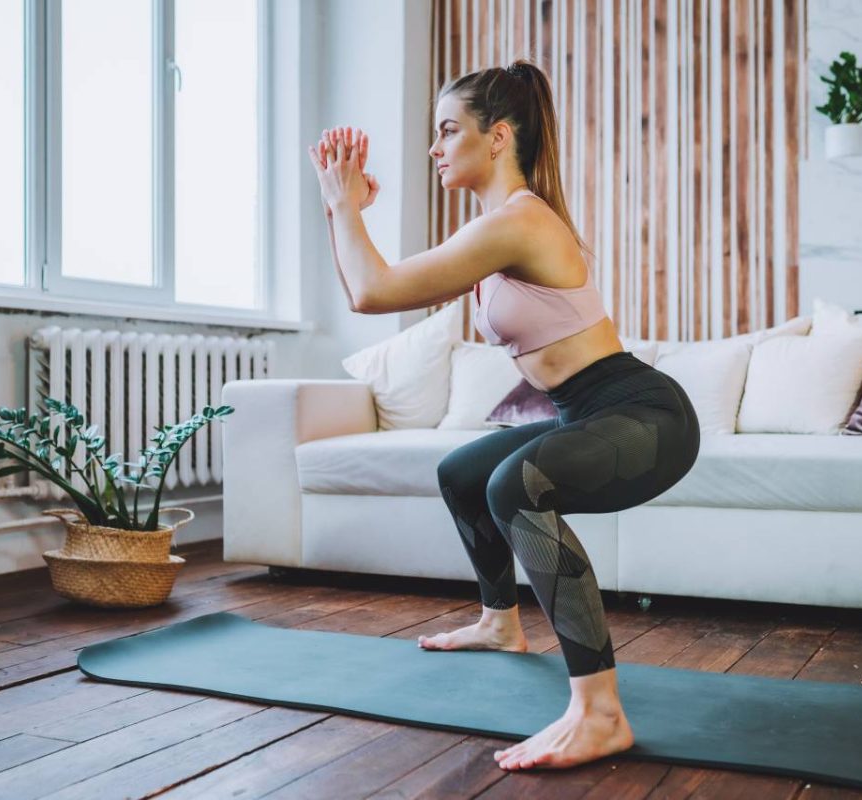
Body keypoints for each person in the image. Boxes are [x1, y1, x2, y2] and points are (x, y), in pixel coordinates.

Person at [307, 58, 700, 772]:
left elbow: (375, 290)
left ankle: (600, 712)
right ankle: (499, 622)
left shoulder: (517, 222)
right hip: (585, 412)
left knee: (516, 485)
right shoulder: (495, 227)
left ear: (497, 138)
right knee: (464, 470)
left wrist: (344, 205)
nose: (433, 148)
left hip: (644, 416)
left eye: (447, 130)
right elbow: (362, 290)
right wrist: (346, 212)